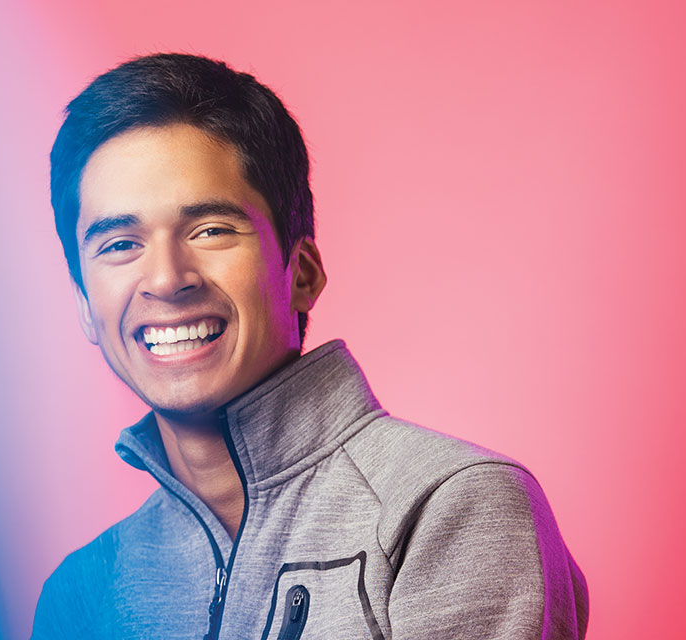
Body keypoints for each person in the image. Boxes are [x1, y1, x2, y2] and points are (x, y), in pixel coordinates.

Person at [32, 53, 589, 640]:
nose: (167, 279)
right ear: (84, 303)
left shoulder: (447, 506)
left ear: (301, 272)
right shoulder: (81, 596)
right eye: (120, 244)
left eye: (211, 230)